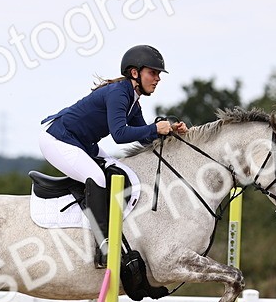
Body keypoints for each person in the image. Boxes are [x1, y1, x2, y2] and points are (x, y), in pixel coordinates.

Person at [39, 44, 188, 268]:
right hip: (58, 140)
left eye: (158, 74)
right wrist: (156, 129)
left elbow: (145, 139)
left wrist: (169, 132)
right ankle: (104, 246)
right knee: (97, 177)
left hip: (84, 144)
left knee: (122, 171)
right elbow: (119, 135)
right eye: (153, 73)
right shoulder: (119, 93)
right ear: (135, 73)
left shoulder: (132, 99)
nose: (157, 79)